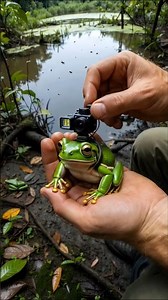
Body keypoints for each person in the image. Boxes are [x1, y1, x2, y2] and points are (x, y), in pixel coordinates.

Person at [40, 51, 168, 299]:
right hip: (87, 162)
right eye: (63, 151)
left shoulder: (98, 164)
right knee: (147, 143)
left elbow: (110, 172)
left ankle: (145, 260)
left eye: (85, 150)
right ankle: (144, 253)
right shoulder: (67, 157)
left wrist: (150, 223)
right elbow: (64, 162)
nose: (66, 154)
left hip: (102, 168)